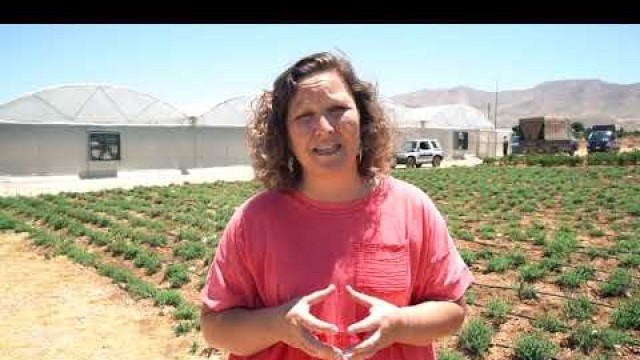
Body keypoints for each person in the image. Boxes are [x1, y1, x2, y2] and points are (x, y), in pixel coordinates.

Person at [200, 51, 473, 360]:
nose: (325, 127)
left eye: (337, 109)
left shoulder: (412, 208)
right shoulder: (255, 219)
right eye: (304, 115)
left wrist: (399, 324)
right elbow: (214, 328)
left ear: (364, 119)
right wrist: (277, 324)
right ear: (284, 135)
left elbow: (454, 311)